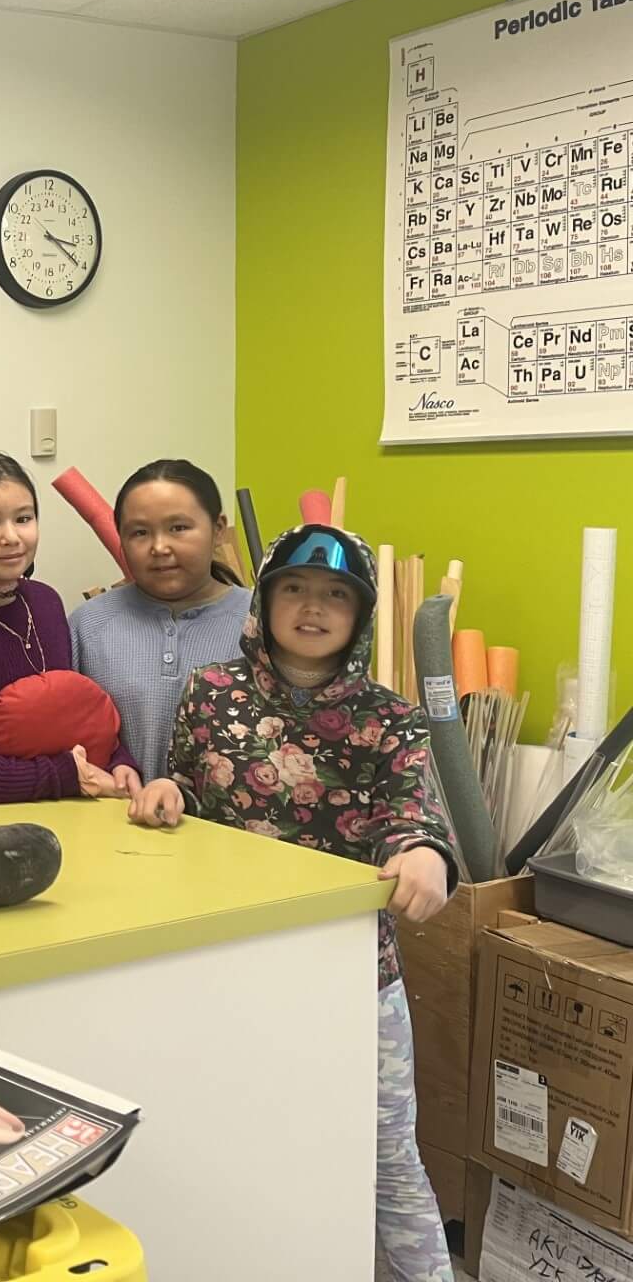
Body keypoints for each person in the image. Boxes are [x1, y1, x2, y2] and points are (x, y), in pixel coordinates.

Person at [131, 524, 458, 1281]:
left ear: (361, 615)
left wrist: (423, 853)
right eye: (296, 589)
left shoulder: (391, 718)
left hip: (353, 971)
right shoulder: (209, 696)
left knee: (388, 1154)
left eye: (337, 595)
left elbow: (413, 812)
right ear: (265, 601)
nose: (314, 608)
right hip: (229, 964)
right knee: (239, 1142)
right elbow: (188, 785)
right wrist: (167, 791)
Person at [0, 453, 139, 805]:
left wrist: (118, 760)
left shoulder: (46, 602)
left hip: (77, 815)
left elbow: (76, 712)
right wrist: (70, 775)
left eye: (23, 518)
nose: (11, 537)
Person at [70, 459, 250, 773]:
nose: (159, 547)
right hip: (110, 817)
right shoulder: (88, 625)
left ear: (218, 529)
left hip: (226, 823)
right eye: (139, 532)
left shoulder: (263, 625)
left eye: (178, 528)